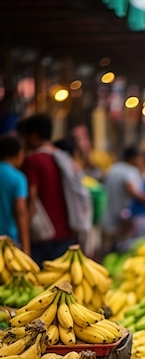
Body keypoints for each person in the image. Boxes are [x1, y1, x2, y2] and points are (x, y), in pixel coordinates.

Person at [17, 113, 78, 264]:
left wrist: (24, 235)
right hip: (65, 231)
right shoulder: (62, 158)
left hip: (41, 235)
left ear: (33, 135)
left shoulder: (32, 161)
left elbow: (31, 198)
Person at [100, 146, 143, 256]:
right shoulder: (130, 171)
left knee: (109, 244)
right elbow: (130, 188)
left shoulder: (113, 168)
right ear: (132, 158)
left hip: (109, 210)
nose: (141, 161)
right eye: (139, 158)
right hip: (124, 215)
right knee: (123, 247)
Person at [0, 134, 30, 254]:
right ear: (19, 154)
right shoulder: (18, 178)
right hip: (10, 240)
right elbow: (21, 211)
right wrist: (26, 247)